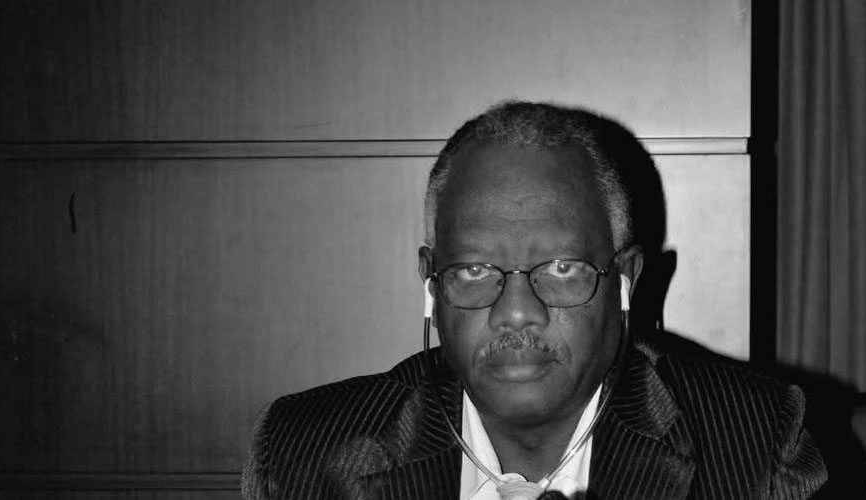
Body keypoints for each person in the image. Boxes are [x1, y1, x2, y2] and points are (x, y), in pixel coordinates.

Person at [241, 101, 827, 500]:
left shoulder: (756, 448)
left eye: (562, 268)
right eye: (474, 270)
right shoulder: (301, 456)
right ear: (432, 285)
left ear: (625, 280)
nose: (517, 311)